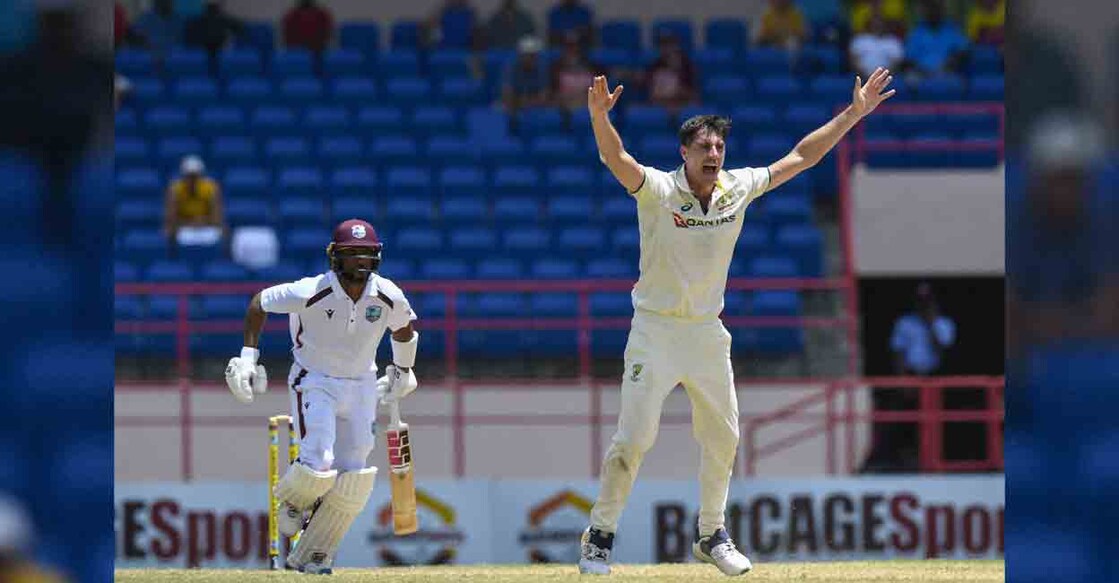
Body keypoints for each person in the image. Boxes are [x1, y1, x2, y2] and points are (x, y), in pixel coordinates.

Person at [579, 69, 895, 575]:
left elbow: (802, 156)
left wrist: (854, 113)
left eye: (720, 146)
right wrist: (599, 118)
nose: (714, 154)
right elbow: (616, 158)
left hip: (706, 332)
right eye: (704, 146)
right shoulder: (658, 190)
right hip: (655, 330)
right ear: (684, 153)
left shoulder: (737, 188)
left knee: (724, 436)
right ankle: (599, 537)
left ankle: (712, 534)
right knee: (634, 441)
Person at [225, 218, 420, 573]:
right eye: (351, 254)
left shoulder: (388, 295)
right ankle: (295, 500)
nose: (359, 261)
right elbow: (259, 303)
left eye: (366, 254)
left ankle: (315, 556)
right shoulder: (310, 290)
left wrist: (404, 372)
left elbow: (405, 331)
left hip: (362, 382)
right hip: (315, 380)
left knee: (356, 474)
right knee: (319, 455)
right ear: (336, 257)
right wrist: (248, 358)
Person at [164, 155, 225, 245]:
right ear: (183, 176)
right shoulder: (175, 190)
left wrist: (202, 222)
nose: (192, 180)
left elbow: (217, 217)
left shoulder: (211, 188)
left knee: (221, 231)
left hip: (206, 227)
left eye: (195, 176)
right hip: (183, 227)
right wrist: (190, 223)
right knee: (168, 231)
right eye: (189, 176)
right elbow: (170, 219)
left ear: (201, 176)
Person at [903, 0, 968, 78]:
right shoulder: (917, 32)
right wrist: (923, 71)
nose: (934, 11)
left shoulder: (952, 29)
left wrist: (949, 65)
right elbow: (909, 58)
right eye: (930, 7)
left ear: (942, 9)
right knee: (910, 78)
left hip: (948, 74)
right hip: (921, 76)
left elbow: (963, 51)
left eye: (937, 7)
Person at [644, 33, 697, 114]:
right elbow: (652, 95)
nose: (667, 49)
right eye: (663, 45)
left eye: (670, 44)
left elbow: (693, 95)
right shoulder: (655, 67)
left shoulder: (687, 66)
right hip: (661, 107)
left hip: (684, 106)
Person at [550, 32, 599, 111]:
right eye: (568, 46)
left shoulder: (591, 67)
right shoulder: (556, 68)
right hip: (565, 108)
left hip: (587, 106)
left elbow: (596, 92)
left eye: (575, 46)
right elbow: (553, 95)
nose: (572, 49)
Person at [849, 11, 904, 79]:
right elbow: (854, 59)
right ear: (869, 23)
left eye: (880, 23)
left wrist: (882, 76)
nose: (877, 25)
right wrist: (865, 76)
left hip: (886, 79)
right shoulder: (860, 39)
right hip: (862, 77)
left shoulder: (892, 41)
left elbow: (896, 63)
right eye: (875, 23)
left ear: (884, 24)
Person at [502, 36, 550, 112]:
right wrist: (519, 103)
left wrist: (528, 103)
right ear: (520, 55)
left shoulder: (541, 69)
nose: (532, 59)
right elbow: (506, 96)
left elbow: (544, 97)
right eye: (529, 55)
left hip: (535, 108)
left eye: (534, 55)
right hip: (515, 107)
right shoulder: (511, 68)